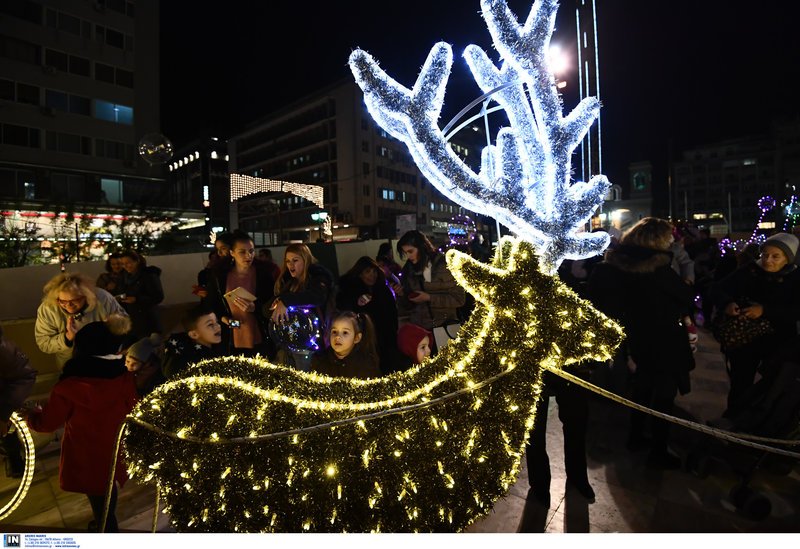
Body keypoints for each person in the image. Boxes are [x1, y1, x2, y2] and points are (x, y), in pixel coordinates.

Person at [586, 217, 695, 470]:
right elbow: (685, 298)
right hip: (665, 342)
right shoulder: (657, 268)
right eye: (668, 237)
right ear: (657, 240)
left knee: (643, 390)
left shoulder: (614, 266)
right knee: (664, 398)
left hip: (637, 341)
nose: (672, 241)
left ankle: (636, 437)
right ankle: (659, 449)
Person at [26, 314, 138, 532]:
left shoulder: (68, 387)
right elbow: (133, 408)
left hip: (87, 449)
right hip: (115, 446)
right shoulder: (124, 377)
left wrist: (32, 416)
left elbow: (48, 423)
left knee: (96, 491)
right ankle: (106, 521)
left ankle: (107, 527)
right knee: (107, 483)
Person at [709, 232, 800, 417]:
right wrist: (727, 303)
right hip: (744, 340)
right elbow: (716, 289)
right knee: (740, 382)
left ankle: (761, 423)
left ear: (788, 258)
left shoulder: (796, 277)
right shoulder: (750, 271)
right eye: (765, 254)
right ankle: (734, 420)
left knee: (772, 386)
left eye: (776, 256)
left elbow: (796, 311)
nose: (768, 260)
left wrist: (765, 310)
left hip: (779, 341)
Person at [204, 230, 274, 357]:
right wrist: (223, 318)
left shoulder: (263, 274)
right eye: (242, 252)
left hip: (259, 333)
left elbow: (271, 302)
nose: (248, 255)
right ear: (232, 253)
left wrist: (256, 307)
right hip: (231, 337)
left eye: (251, 251)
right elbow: (212, 302)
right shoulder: (220, 276)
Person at [35, 272, 128, 367]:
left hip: (105, 360)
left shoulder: (103, 298)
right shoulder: (48, 309)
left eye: (75, 300)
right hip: (71, 363)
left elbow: (124, 325)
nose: (69, 305)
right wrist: (67, 338)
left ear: (86, 296)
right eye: (63, 301)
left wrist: (115, 324)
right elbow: (44, 343)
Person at [270, 243, 335, 370]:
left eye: (295, 260)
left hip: (311, 345)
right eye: (288, 261)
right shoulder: (288, 282)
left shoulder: (318, 277)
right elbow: (270, 308)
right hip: (289, 343)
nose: (291, 265)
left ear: (305, 260)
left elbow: (317, 297)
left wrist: (287, 301)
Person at [394, 230, 465, 336]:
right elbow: (407, 305)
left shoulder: (444, 266)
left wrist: (429, 298)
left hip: (445, 327)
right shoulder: (408, 269)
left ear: (422, 247)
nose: (408, 256)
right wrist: (402, 294)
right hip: (420, 330)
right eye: (405, 253)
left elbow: (459, 299)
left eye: (410, 251)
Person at [336, 256, 398, 374]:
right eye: (367, 272)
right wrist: (356, 303)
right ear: (359, 274)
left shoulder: (383, 290)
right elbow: (344, 310)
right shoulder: (350, 290)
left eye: (374, 271)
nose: (372, 275)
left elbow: (392, 314)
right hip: (363, 338)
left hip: (385, 337)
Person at [0, 325, 37, 478]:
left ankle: (15, 461)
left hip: (2, 406)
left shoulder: (4, 350)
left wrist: (3, 412)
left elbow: (24, 375)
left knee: (8, 435)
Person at [310, 311, 381, 379]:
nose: (337, 336)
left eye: (345, 332)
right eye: (334, 332)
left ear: (357, 338)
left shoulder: (366, 365)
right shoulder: (319, 360)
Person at [161, 305, 223, 380]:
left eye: (217, 321)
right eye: (210, 324)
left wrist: (233, 322)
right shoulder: (198, 362)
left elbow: (237, 324)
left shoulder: (217, 337)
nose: (218, 326)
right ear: (194, 334)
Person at [118, 250, 165, 339]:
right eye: (123, 264)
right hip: (131, 319)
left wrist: (137, 299)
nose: (126, 266)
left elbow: (158, 297)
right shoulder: (124, 276)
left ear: (137, 261)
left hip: (147, 320)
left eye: (128, 263)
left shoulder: (148, 275)